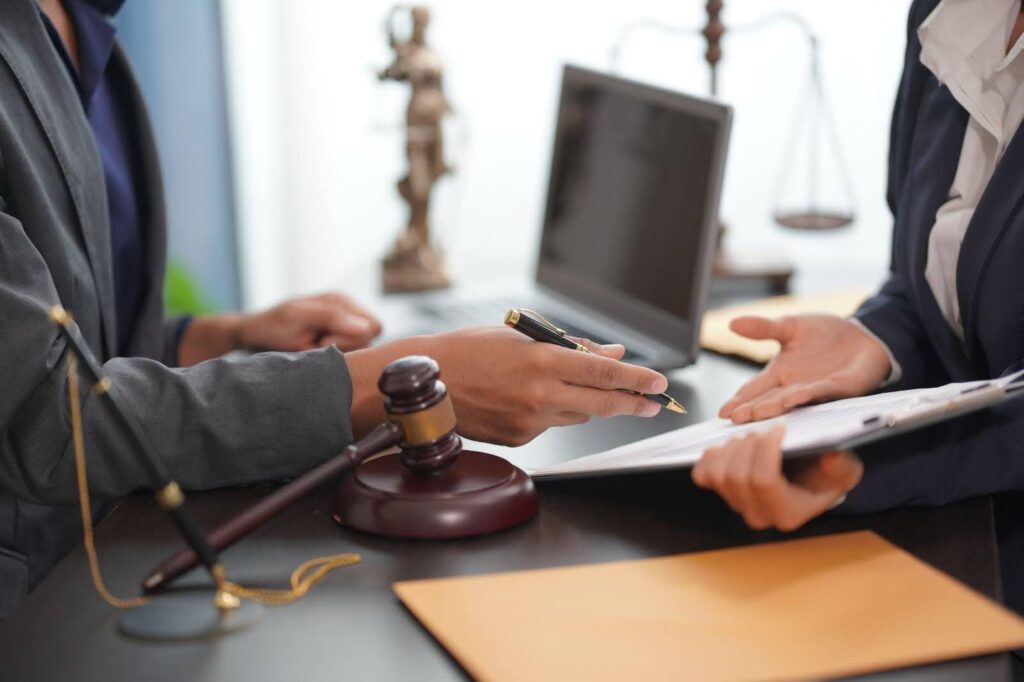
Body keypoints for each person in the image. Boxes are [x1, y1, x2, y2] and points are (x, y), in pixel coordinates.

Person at [0, 0, 670, 618]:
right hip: (38, 608)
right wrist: (384, 386)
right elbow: (47, 420)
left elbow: (75, 339)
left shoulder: (83, 23)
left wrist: (222, 335)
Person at [692, 0, 1024, 614]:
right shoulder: (947, 15)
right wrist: (873, 339)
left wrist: (854, 467)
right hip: (952, 536)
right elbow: (926, 282)